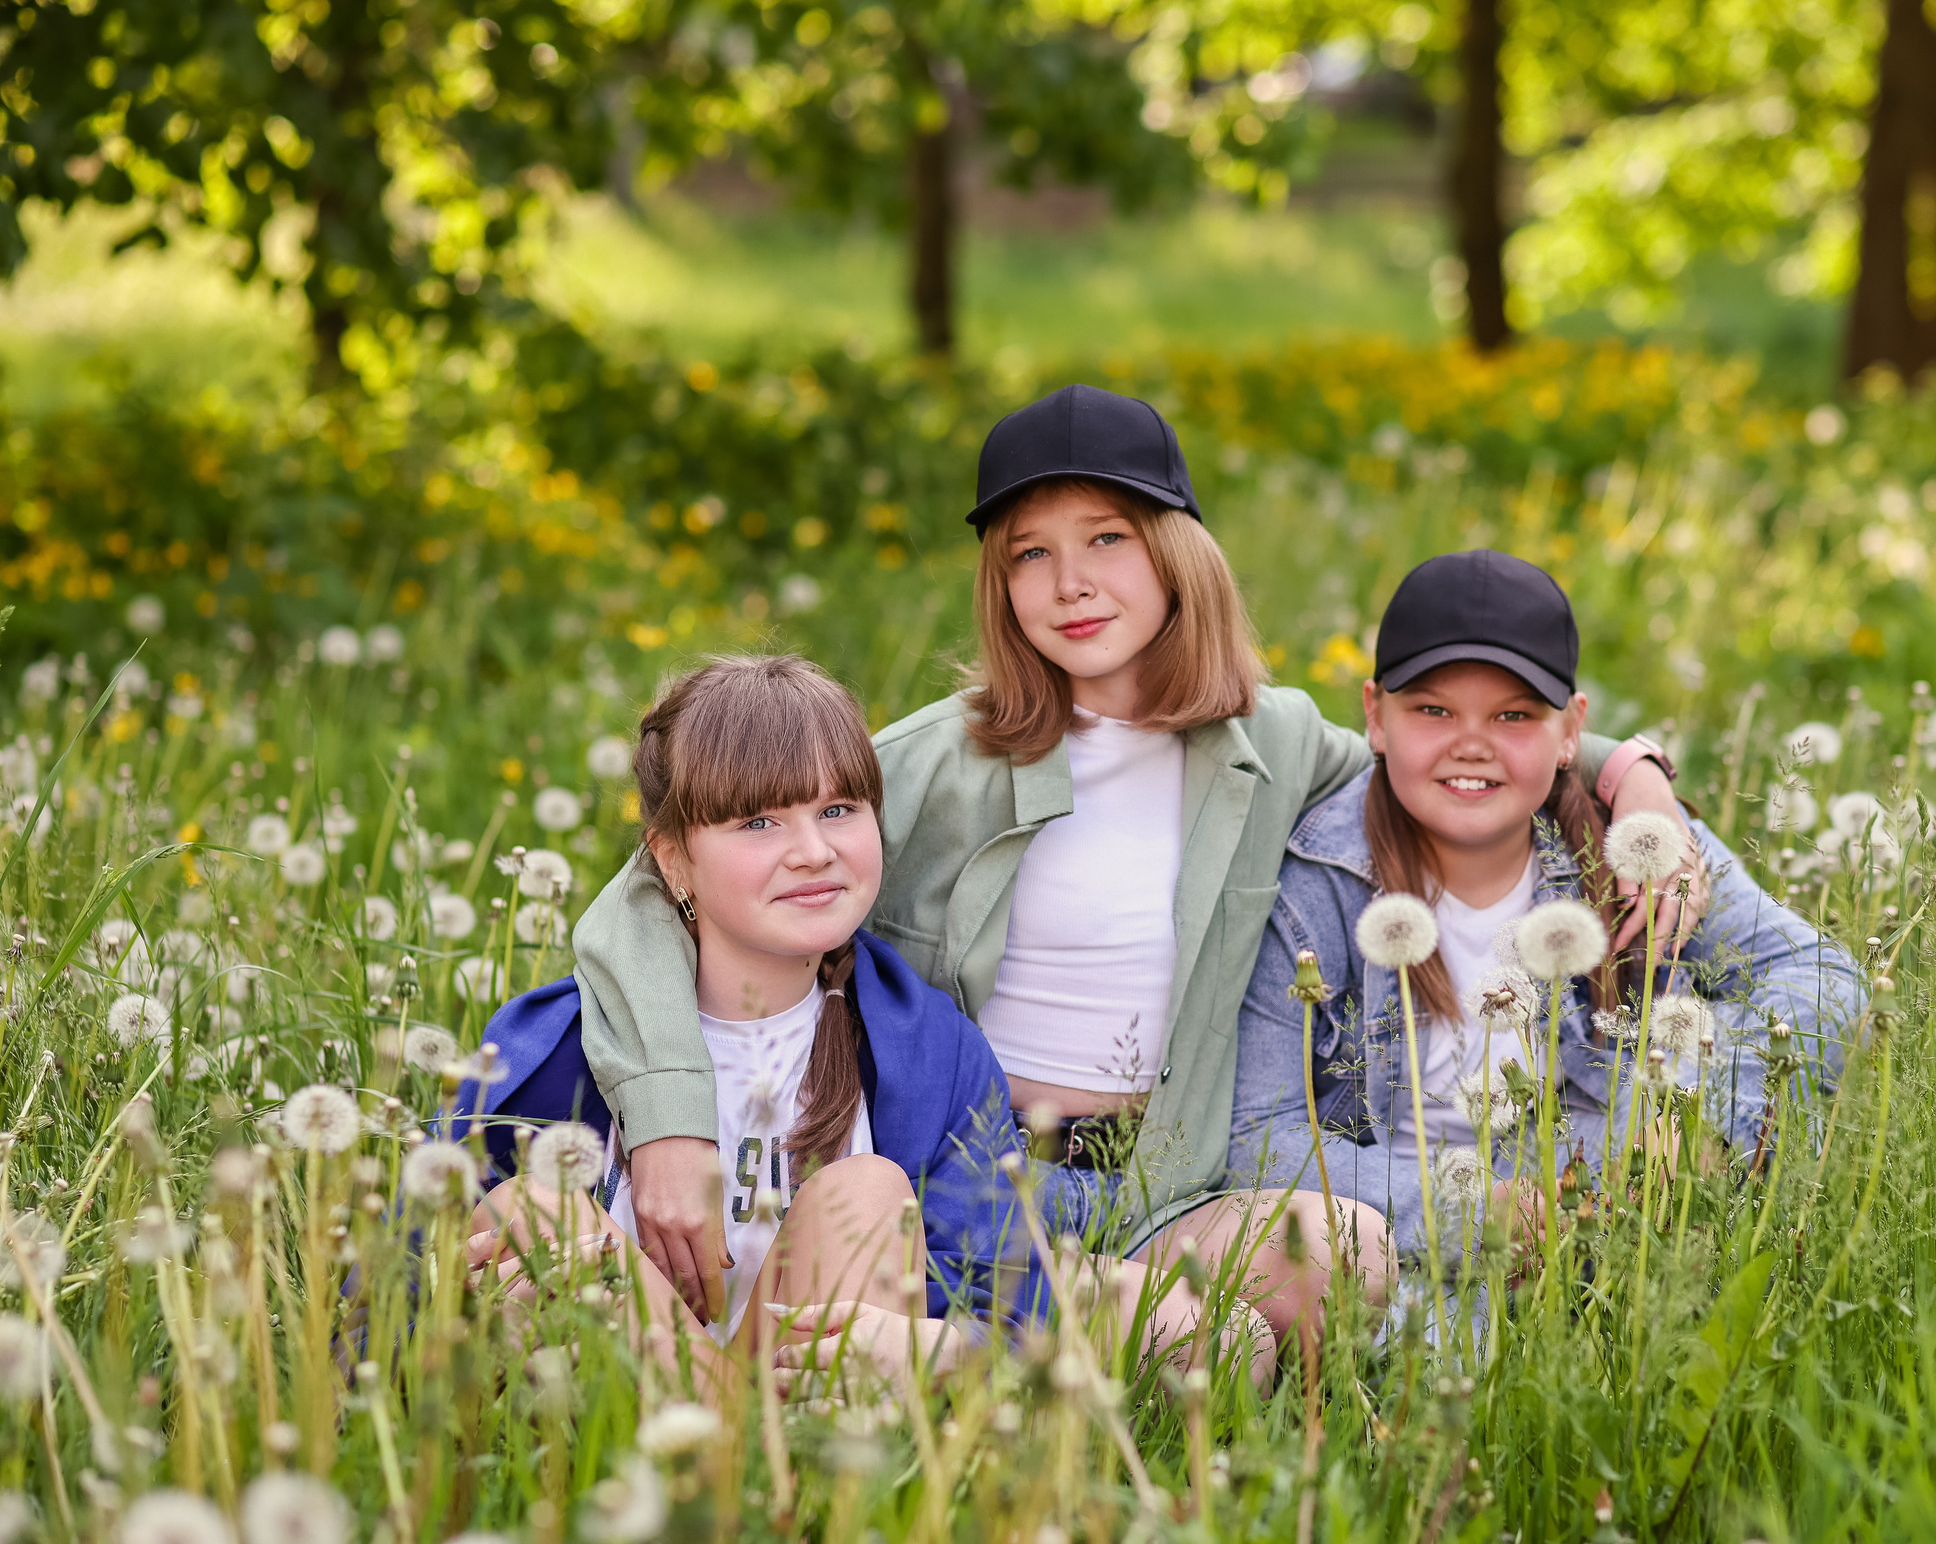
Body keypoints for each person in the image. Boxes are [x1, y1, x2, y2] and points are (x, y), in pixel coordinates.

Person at [570, 386, 1703, 1354]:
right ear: (1000, 583)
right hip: (982, 1177)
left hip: (1173, 1180)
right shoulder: (929, 761)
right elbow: (642, 900)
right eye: (1030, 553)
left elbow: (1444, 743)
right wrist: (669, 1120)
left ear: (1176, 554)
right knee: (1139, 1342)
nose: (1071, 582)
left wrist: (1635, 777)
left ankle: (1286, 1489)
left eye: (1107, 539)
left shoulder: (1268, 739)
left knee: (1334, 1253)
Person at [459, 655, 1217, 1381]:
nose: (814, 850)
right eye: (758, 822)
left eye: (838, 809)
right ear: (673, 858)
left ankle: (761, 1468)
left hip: (821, 1407)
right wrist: (468, 1295)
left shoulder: (927, 1050)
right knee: (528, 1209)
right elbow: (399, 1272)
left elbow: (998, 1294)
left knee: (868, 1192)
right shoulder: (561, 1043)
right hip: (627, 1412)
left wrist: (932, 1344)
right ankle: (731, 1450)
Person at [1228, 550, 1865, 1255]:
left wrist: (1689, 1116)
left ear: (1570, 731)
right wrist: (1486, 1214)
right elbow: (1261, 1136)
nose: (1472, 745)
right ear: (1376, 716)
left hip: (1612, 1211)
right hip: (1404, 1237)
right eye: (1434, 709)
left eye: (1513, 715)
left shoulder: (1640, 848)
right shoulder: (1315, 882)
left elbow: (1824, 982)